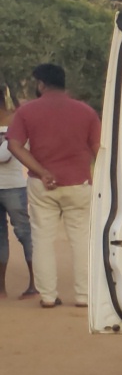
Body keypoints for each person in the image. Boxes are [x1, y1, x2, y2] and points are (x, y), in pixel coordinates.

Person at [7, 64, 100, 309]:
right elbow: (99, 149)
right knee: (80, 240)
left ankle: (48, 296)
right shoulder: (86, 111)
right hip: (79, 183)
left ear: (41, 84)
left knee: (42, 240)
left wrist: (41, 171)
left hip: (42, 185)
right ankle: (83, 295)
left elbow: (14, 146)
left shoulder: (27, 112)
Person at [0, 85, 37, 299]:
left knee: (24, 234)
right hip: (12, 187)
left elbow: (5, 156)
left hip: (14, 187)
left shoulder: (17, 121)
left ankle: (35, 282)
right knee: (12, 235)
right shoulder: (15, 122)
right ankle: (4, 288)